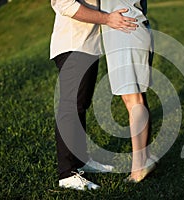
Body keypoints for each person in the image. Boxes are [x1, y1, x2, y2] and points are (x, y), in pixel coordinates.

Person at [50, 0, 138, 191]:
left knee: (80, 105)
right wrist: (107, 19)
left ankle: (80, 161)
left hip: (88, 45)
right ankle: (67, 173)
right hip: (73, 43)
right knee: (71, 106)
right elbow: (64, 4)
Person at [101, 0, 156, 183]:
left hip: (127, 31)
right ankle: (145, 158)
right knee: (132, 99)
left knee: (134, 100)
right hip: (126, 30)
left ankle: (138, 168)